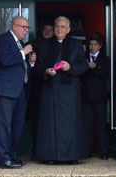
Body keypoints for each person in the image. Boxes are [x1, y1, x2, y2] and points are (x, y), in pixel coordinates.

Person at [34, 17, 87, 164]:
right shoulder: (45, 44)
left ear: (69, 30)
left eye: (63, 27)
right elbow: (38, 67)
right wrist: (46, 71)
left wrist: (70, 67)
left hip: (69, 91)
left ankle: (71, 156)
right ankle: (50, 156)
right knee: (49, 125)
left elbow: (84, 66)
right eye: (57, 26)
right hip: (50, 90)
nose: (59, 29)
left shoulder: (76, 44)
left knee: (70, 125)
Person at [0, 16, 33, 169]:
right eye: (24, 27)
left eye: (27, 28)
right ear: (15, 26)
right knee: (4, 125)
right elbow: (5, 60)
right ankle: (2, 159)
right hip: (6, 91)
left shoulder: (20, 43)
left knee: (18, 125)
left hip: (20, 90)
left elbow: (19, 67)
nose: (26, 30)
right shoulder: (4, 40)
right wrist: (23, 53)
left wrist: (30, 62)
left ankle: (12, 156)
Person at [82, 35, 111, 159]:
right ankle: (86, 152)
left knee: (100, 126)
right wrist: (87, 67)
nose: (92, 47)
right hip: (86, 97)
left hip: (100, 98)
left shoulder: (105, 59)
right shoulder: (83, 57)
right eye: (90, 44)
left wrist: (94, 68)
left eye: (95, 44)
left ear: (100, 45)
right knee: (86, 126)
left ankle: (103, 152)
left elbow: (105, 75)